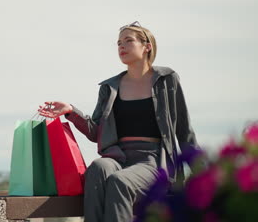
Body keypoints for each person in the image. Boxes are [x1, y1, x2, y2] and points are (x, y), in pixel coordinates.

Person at [38, 21, 202, 222]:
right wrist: (71, 112)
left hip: (152, 160)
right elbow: (95, 132)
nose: (121, 46)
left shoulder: (166, 80)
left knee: (119, 182)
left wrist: (204, 174)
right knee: (97, 169)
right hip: (118, 156)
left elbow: (184, 130)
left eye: (128, 41)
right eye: (118, 43)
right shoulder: (109, 87)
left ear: (147, 46)